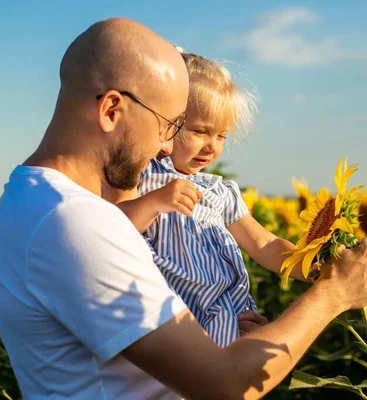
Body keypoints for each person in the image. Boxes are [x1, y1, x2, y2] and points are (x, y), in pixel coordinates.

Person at [0, 17, 367, 399]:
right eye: (169, 125)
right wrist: (334, 294)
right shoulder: (74, 222)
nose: (166, 147)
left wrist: (232, 341)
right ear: (111, 110)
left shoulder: (32, 201)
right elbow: (223, 386)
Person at [105, 51, 309, 347]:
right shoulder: (142, 176)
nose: (212, 146)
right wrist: (154, 202)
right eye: (200, 131)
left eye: (222, 136)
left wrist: (312, 266)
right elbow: (113, 230)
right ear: (168, 122)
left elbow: (264, 244)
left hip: (231, 319)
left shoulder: (221, 192)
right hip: (177, 326)